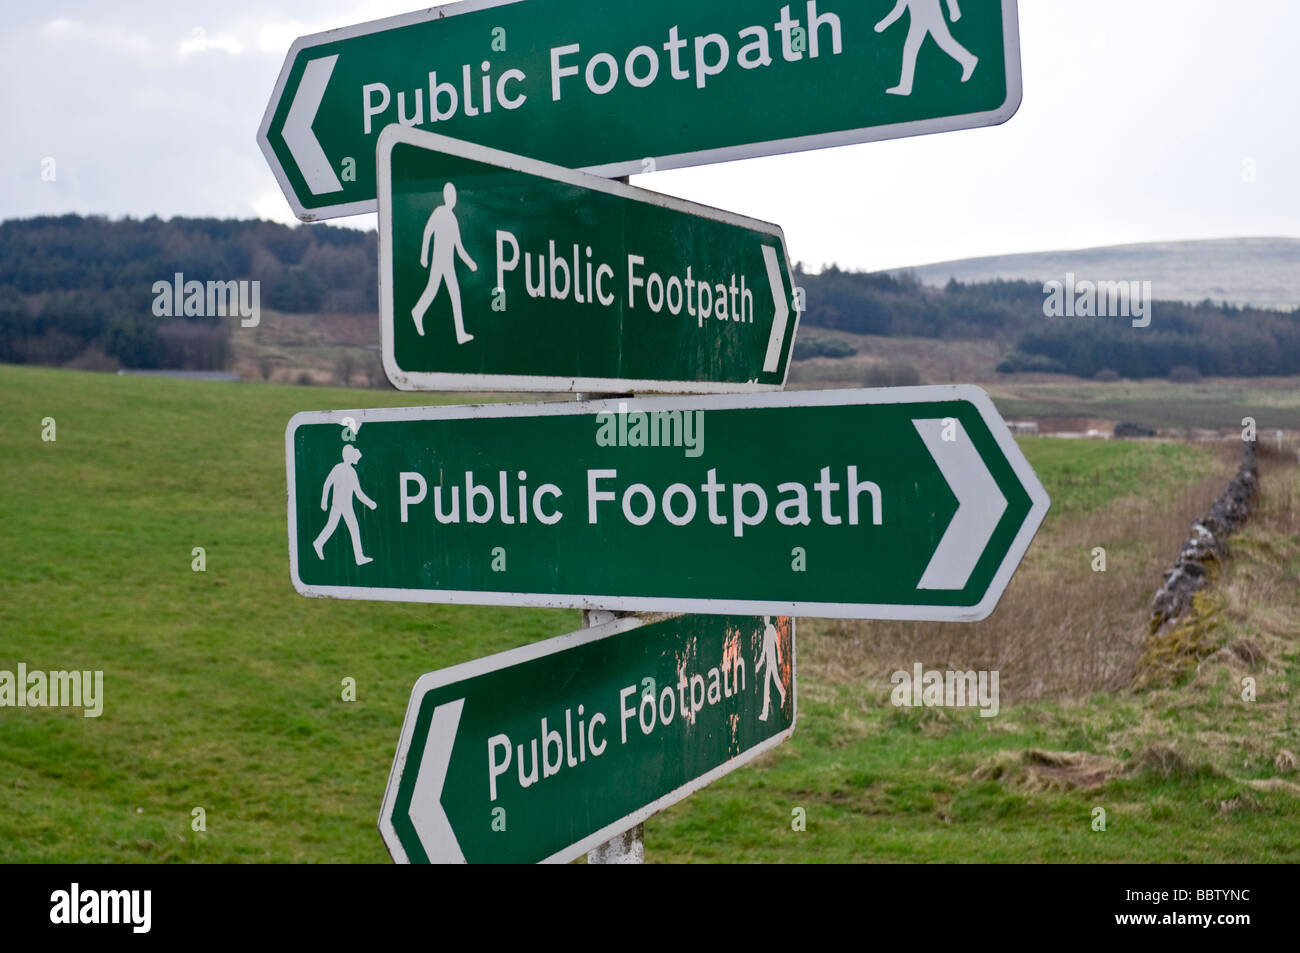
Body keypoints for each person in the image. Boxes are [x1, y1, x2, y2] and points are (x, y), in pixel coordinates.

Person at [411, 182, 478, 344]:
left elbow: (459, 247)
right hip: (438, 262)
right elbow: (428, 232)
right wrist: (424, 256)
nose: (453, 199)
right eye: (450, 196)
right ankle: (417, 312)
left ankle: (460, 333)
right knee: (433, 290)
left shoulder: (454, 219)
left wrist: (471, 263)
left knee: (454, 295)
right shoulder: (439, 212)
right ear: (445, 196)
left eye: (454, 196)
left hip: (448, 264)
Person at [875, 0, 978, 97]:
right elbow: (898, 10)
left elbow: (898, 10)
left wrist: (954, 10)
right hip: (918, 20)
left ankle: (968, 60)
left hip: (932, 16)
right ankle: (905, 86)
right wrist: (883, 24)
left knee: (943, 42)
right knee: (912, 48)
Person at [313, 445, 377, 566]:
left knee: (333, 526)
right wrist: (371, 504)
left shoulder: (343, 469)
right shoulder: (346, 471)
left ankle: (318, 543)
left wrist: (325, 502)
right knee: (352, 528)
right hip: (343, 506)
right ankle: (359, 557)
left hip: (339, 505)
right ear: (349, 457)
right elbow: (329, 483)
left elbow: (329, 485)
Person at [755, 616, 787, 722]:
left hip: (773, 661)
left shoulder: (772, 628)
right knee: (768, 684)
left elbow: (777, 643)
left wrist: (779, 658)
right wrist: (759, 665)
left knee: (773, 682)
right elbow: (763, 651)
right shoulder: (765, 631)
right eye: (764, 619)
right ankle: (765, 712)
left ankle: (782, 694)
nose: (765, 620)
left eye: (767, 618)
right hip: (768, 661)